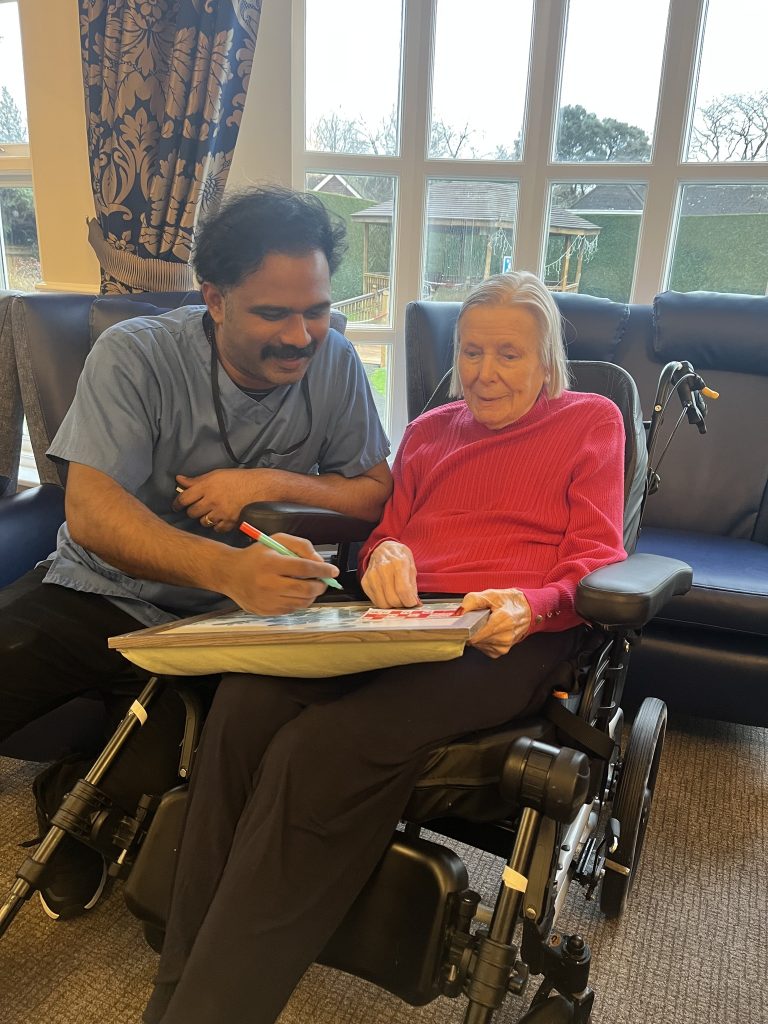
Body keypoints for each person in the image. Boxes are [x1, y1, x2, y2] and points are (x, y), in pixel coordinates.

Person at [142, 270, 628, 1024]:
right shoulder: (433, 430)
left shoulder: (589, 421)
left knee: (319, 747)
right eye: (471, 352)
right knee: (242, 705)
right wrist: (383, 558)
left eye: (508, 355)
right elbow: (388, 531)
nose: (484, 372)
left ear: (546, 363)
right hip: (399, 616)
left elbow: (595, 555)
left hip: (502, 634)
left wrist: (527, 606)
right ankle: (176, 987)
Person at [0, 186, 392, 919]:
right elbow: (90, 510)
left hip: (243, 623)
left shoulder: (335, 361)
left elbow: (373, 492)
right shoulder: (136, 355)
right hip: (100, 592)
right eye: (274, 314)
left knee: (254, 761)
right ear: (213, 299)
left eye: (314, 309)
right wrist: (227, 570)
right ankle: (85, 791)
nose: (303, 336)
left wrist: (264, 482)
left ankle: (78, 794)